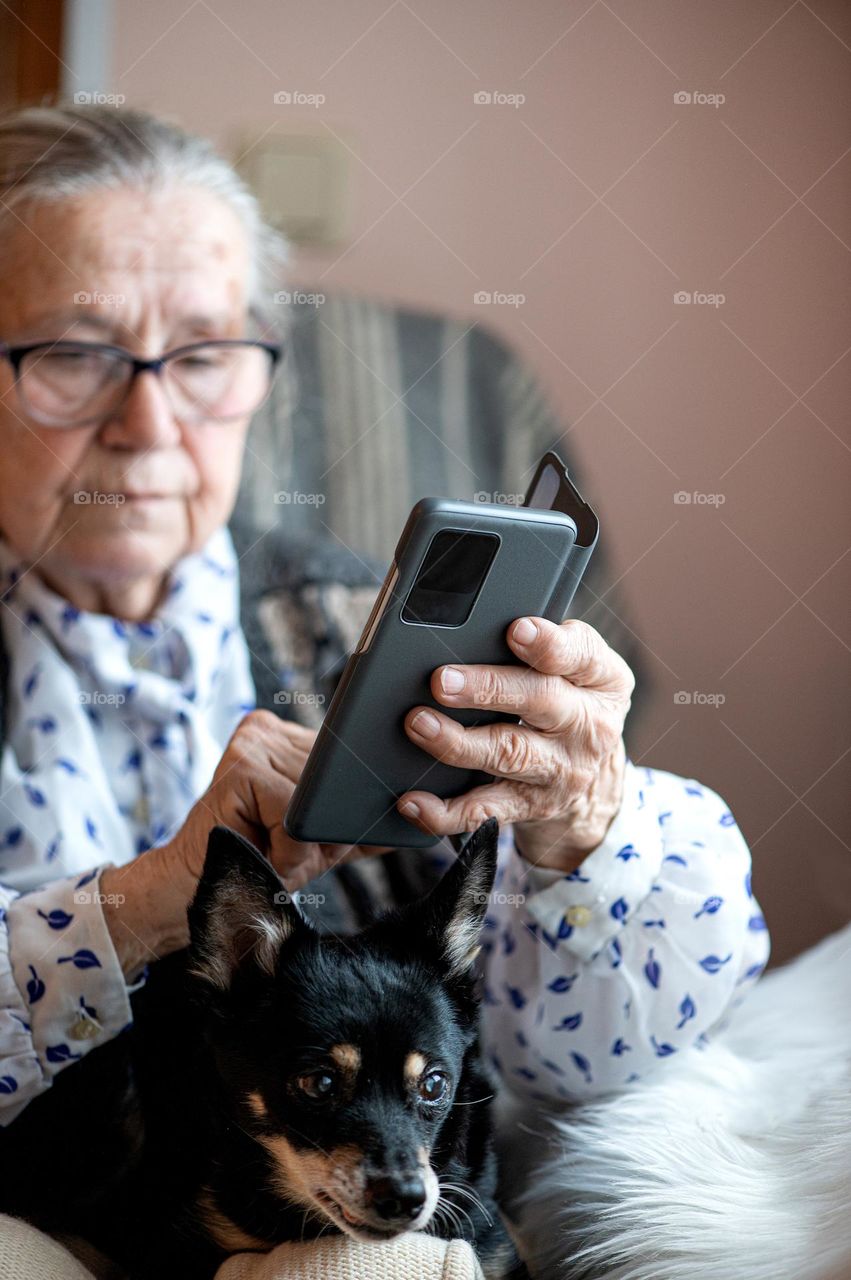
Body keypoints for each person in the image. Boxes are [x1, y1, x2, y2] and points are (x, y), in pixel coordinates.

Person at [0, 104, 769, 1145]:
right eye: (75, 355)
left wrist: (584, 830)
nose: (147, 426)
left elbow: (590, 1070)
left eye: (203, 355)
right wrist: (142, 903)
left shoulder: (372, 627)